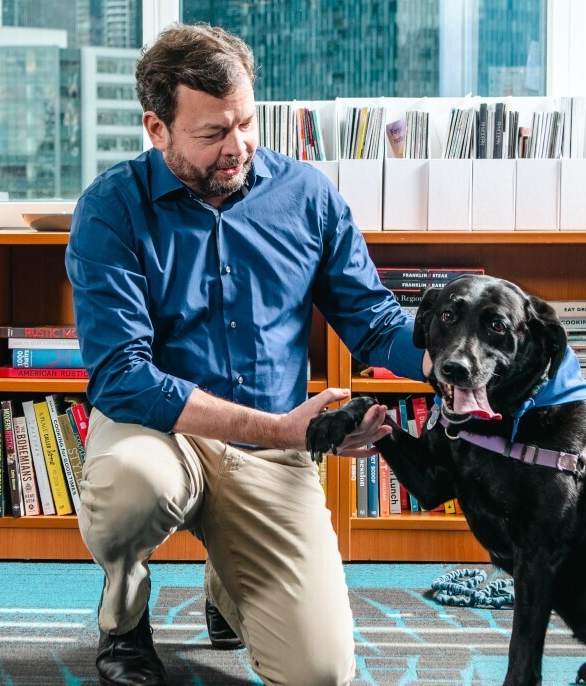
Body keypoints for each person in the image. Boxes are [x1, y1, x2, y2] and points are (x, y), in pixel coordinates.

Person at [65, 23, 427, 686]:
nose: (238, 149)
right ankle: (124, 617)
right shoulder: (111, 209)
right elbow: (121, 377)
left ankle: (229, 585)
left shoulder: (307, 196)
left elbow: (373, 324)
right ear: (157, 128)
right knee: (131, 494)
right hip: (160, 433)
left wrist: (450, 361)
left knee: (320, 674)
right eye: (212, 134)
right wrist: (282, 429)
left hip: (270, 454)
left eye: (247, 123)